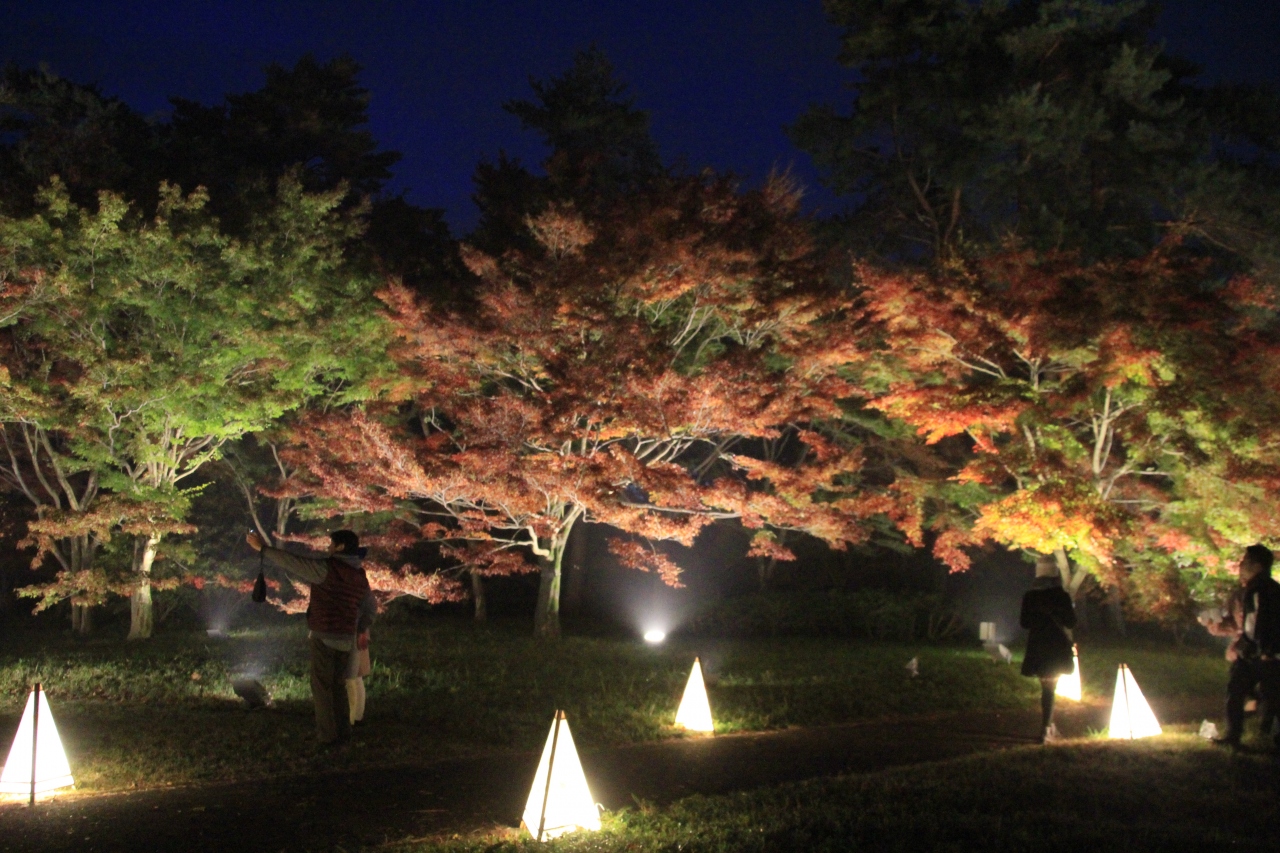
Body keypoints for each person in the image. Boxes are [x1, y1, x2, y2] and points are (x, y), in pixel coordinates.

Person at [246, 529, 377, 747]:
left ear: (341, 547)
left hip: (324, 635)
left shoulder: (327, 569)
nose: (328, 547)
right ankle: (343, 734)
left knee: (322, 688)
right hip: (346, 638)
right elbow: (371, 607)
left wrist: (264, 550)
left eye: (332, 544)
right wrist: (360, 627)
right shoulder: (359, 577)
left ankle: (328, 738)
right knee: (338, 688)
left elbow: (294, 563)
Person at [1201, 544, 1280, 749]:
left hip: (1265, 653)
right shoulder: (1252, 590)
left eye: (1245, 562)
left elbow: (1267, 623)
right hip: (1253, 651)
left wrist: (1268, 650)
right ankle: (1233, 735)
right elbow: (1246, 625)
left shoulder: (1267, 591)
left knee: (1270, 695)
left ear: (1257, 565)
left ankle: (1236, 735)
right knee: (1238, 690)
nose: (1241, 566)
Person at [1020, 555, 1077, 743]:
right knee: (1051, 688)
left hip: (1038, 647)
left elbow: (1024, 623)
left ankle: (1048, 726)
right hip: (1057, 647)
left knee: (1046, 688)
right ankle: (1047, 729)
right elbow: (1071, 622)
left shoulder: (1030, 596)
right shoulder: (1061, 596)